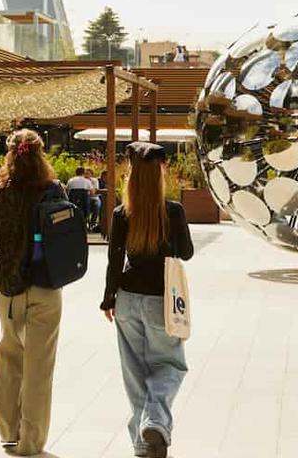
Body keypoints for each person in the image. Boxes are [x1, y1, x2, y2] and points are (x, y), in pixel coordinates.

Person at [100, 142, 194, 458]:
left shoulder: (121, 213)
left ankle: (143, 444)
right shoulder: (173, 210)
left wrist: (108, 299)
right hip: (161, 301)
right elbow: (187, 253)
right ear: (159, 172)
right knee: (170, 364)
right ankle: (155, 422)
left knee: (134, 373)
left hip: (127, 298)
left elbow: (114, 260)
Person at [0, 129, 64, 456]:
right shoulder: (54, 190)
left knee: (10, 358)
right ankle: (32, 442)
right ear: (40, 155)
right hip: (46, 285)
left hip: (9, 287)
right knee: (40, 367)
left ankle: (8, 433)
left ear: (10, 155)